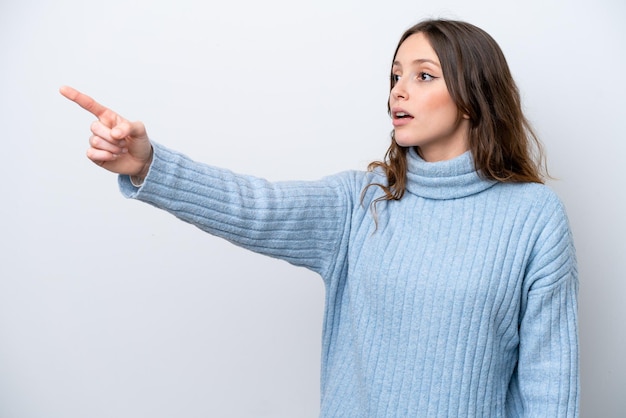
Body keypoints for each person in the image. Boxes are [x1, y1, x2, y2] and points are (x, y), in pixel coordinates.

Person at [60, 19, 579, 418]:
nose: (399, 89)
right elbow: (255, 208)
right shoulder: (363, 203)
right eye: (396, 75)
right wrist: (151, 164)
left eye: (424, 76)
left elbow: (549, 381)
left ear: (472, 97)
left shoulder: (532, 217)